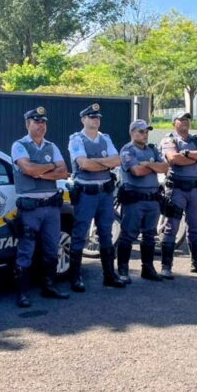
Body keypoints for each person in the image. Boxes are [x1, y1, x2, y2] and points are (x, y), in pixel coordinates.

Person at [10, 107, 71, 308]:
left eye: (43, 122)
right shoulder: (19, 145)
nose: (40, 125)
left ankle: (49, 286)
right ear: (27, 124)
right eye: (36, 122)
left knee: (52, 249)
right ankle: (23, 293)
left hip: (51, 208)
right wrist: (50, 167)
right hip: (31, 209)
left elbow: (64, 172)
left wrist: (40, 172)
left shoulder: (51, 146)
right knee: (26, 250)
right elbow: (27, 169)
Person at [68, 103, 125, 291]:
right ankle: (75, 277)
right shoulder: (76, 139)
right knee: (80, 234)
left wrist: (97, 163)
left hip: (105, 194)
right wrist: (105, 164)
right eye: (92, 117)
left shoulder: (105, 138)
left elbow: (117, 160)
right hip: (86, 194)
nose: (96, 120)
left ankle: (109, 275)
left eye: (98, 117)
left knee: (106, 233)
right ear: (83, 119)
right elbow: (84, 164)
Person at [159, 112, 197, 278]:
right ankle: (166, 266)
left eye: (187, 119)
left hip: (194, 190)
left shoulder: (196, 139)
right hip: (176, 189)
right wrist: (195, 157)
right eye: (181, 119)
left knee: (195, 228)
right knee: (171, 227)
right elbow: (173, 159)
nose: (185, 122)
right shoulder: (169, 139)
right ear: (174, 122)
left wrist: (186, 154)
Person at [117, 120, 170, 283]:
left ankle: (148, 268)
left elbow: (165, 168)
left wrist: (148, 163)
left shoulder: (153, 149)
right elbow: (137, 171)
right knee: (128, 235)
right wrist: (153, 165)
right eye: (141, 131)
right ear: (132, 133)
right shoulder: (128, 150)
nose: (145, 134)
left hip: (152, 199)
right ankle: (123, 270)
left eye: (146, 131)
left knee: (149, 235)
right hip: (134, 200)